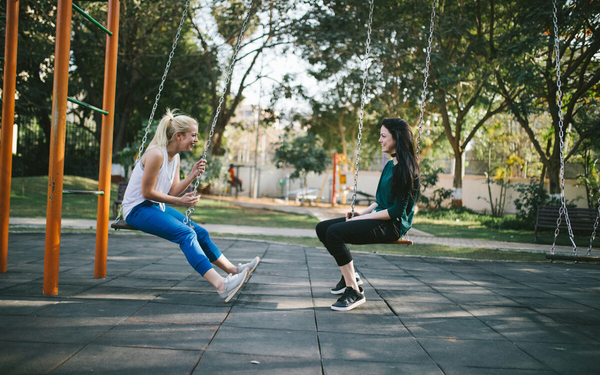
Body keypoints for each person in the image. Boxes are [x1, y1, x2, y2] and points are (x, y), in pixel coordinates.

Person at [121, 109, 260, 303]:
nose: (195, 139)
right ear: (179, 136)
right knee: (186, 234)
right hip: (137, 209)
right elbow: (147, 193)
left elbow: (173, 191)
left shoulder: (175, 157)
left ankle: (234, 270)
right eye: (193, 135)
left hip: (154, 207)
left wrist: (192, 174)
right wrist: (180, 202)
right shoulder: (156, 154)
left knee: (200, 232)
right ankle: (221, 285)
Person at [316, 118, 420, 311]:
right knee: (323, 228)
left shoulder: (406, 170)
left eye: (383, 136)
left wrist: (364, 218)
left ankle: (354, 291)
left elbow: (396, 211)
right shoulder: (390, 165)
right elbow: (380, 201)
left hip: (393, 225)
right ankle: (351, 275)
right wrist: (360, 213)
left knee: (335, 233)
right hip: (381, 215)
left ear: (396, 137)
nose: (380, 140)